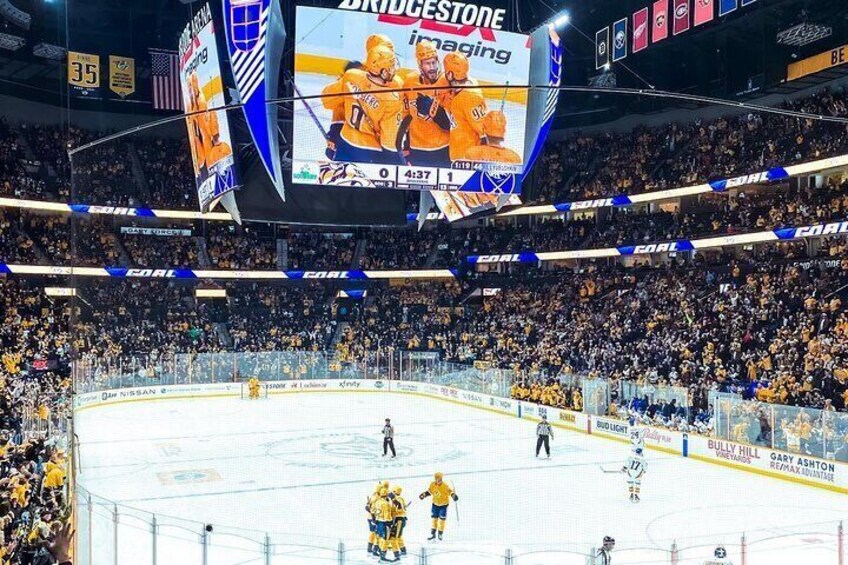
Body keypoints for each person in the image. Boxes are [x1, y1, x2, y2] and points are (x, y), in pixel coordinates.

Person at [332, 45, 405, 166]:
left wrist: (333, 134)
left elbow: (327, 100)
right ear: (382, 71)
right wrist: (401, 164)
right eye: (390, 67)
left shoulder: (351, 76)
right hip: (369, 152)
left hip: (345, 142)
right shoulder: (391, 99)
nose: (393, 70)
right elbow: (389, 145)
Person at [401, 40, 451, 166]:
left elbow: (452, 124)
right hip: (416, 150)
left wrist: (436, 112)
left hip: (443, 150)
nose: (432, 67)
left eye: (434, 62)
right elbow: (406, 115)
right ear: (419, 64)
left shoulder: (447, 82)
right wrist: (406, 145)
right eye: (427, 64)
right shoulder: (410, 82)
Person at [437, 52, 488, 162]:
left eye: (446, 71)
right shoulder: (459, 90)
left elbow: (486, 132)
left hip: (468, 160)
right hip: (457, 156)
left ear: (450, 74)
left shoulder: (470, 97)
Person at [419, 472, 458, 540]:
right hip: (435, 504)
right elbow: (429, 492)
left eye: (439, 479)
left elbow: (450, 492)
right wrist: (424, 495)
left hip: (443, 505)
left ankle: (440, 533)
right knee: (434, 519)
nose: (438, 481)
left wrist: (453, 496)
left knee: (441, 520)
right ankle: (433, 534)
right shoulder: (432, 484)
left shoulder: (445, 486)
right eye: (436, 479)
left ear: (441, 479)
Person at [373, 487, 396, 562]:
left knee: (380, 538)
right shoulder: (386, 504)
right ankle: (382, 558)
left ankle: (380, 555)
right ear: (387, 495)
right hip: (384, 523)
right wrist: (391, 522)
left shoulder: (377, 502)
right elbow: (387, 515)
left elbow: (373, 511)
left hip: (378, 522)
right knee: (385, 540)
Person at [389, 486, 408, 558]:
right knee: (398, 537)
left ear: (395, 492)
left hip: (399, 520)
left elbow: (399, 506)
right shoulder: (401, 499)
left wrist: (392, 498)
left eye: (393, 492)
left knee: (393, 537)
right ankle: (403, 551)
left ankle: (397, 554)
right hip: (400, 519)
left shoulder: (397, 499)